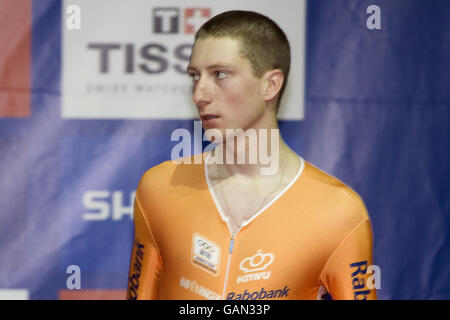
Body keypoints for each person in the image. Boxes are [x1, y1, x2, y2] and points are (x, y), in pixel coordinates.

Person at [127, 10, 377, 300]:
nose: (199, 94)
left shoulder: (338, 211)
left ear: (270, 84)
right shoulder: (160, 187)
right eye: (195, 76)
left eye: (220, 74)